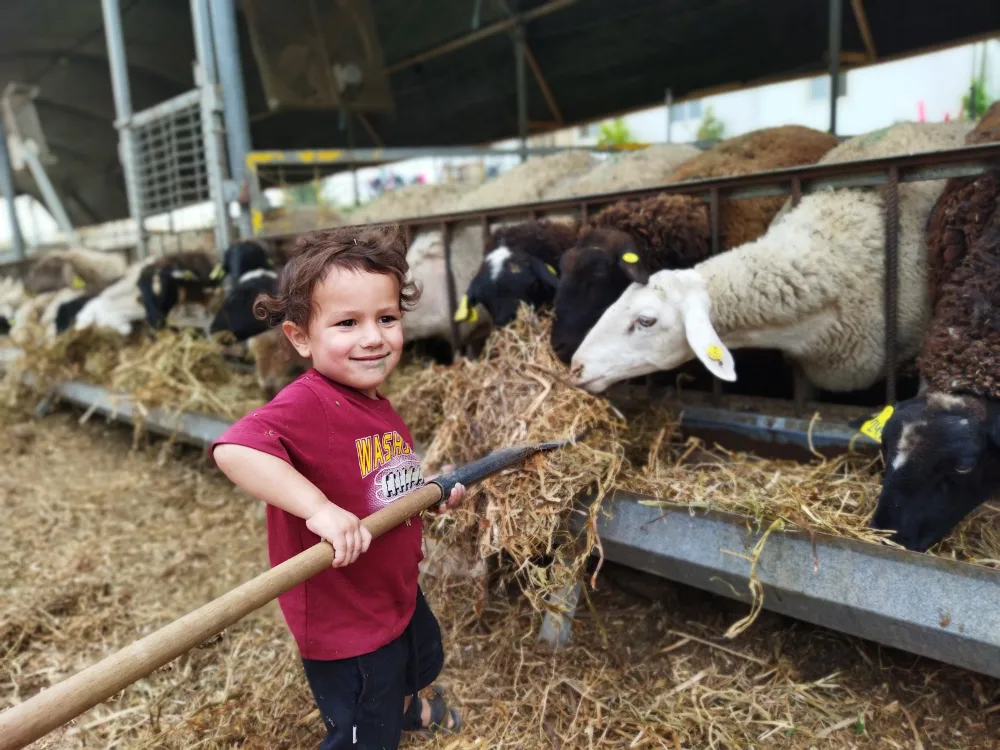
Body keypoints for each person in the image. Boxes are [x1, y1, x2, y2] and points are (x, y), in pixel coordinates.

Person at [211, 225, 465, 749]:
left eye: (387, 318)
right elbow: (233, 449)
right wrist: (318, 509)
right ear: (300, 336)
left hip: (391, 589)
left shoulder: (371, 399)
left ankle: (408, 707)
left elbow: (376, 481)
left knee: (417, 657)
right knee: (362, 726)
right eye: (348, 323)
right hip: (345, 615)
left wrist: (424, 497)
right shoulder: (310, 404)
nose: (373, 336)